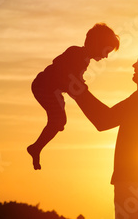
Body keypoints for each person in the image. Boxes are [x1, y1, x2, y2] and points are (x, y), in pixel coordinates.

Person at [72, 48, 138, 219]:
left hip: (135, 181)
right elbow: (104, 119)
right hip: (137, 180)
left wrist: (77, 89)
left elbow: (103, 120)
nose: (134, 65)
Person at [27, 23, 120, 170]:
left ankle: (36, 147)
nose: (106, 56)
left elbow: (75, 78)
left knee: (58, 121)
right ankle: (36, 148)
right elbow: (58, 64)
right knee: (57, 120)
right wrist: (73, 82)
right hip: (44, 87)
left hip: (53, 91)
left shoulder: (84, 60)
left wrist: (78, 83)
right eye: (106, 51)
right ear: (97, 44)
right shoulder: (76, 52)